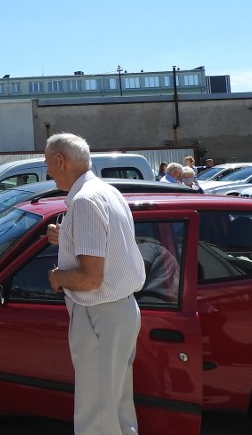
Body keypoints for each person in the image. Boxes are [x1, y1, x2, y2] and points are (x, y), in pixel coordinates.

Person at [45, 133, 145, 435]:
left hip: (99, 316)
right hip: (120, 312)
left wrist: (57, 278)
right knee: (115, 409)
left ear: (60, 160)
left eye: (48, 163)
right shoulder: (106, 191)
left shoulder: (86, 200)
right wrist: (68, 236)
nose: (48, 171)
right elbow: (110, 246)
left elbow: (90, 278)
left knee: (97, 419)